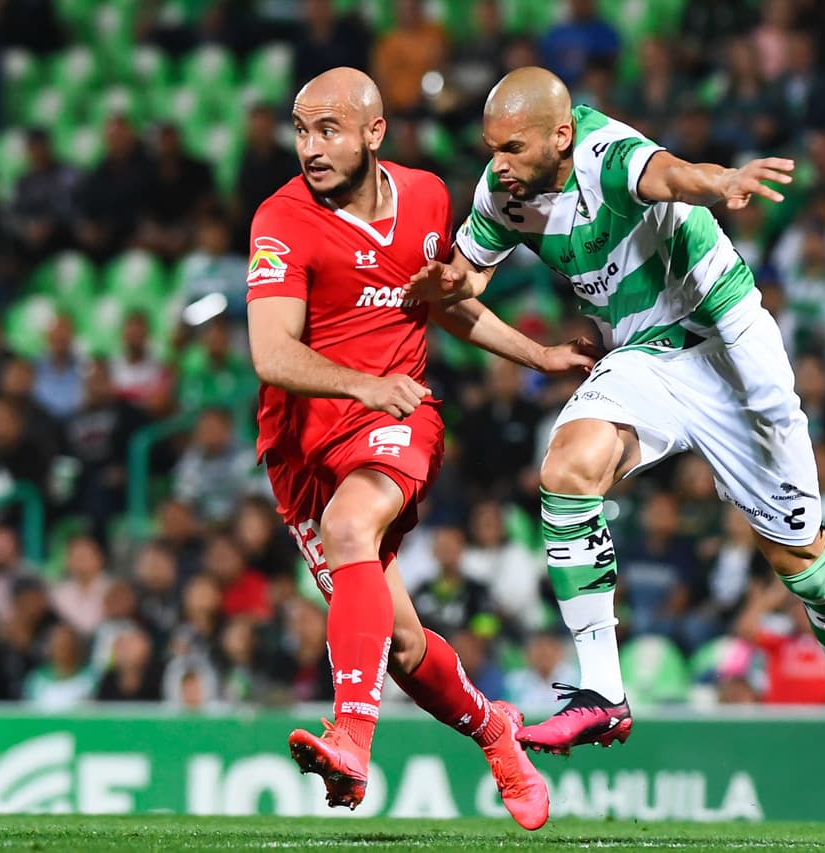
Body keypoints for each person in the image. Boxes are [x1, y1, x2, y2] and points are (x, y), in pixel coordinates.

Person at [405, 67, 825, 816]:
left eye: (511, 146)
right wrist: (463, 298)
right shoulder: (503, 195)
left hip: (727, 344)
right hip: (642, 356)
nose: (497, 161)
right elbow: (463, 287)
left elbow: (666, 174)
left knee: (800, 560)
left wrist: (719, 179)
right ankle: (603, 687)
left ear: (560, 135)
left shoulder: (606, 154)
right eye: (491, 147)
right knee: (565, 469)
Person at [246, 67, 591, 829]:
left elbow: (448, 305)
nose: (310, 146)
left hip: (398, 418)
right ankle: (496, 732)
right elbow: (272, 354)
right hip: (302, 444)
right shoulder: (281, 219)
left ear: (375, 133)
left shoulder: (429, 199)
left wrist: (538, 357)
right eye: (301, 130)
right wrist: (358, 386)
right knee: (400, 644)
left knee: (350, 527)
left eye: (328, 128)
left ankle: (351, 737)